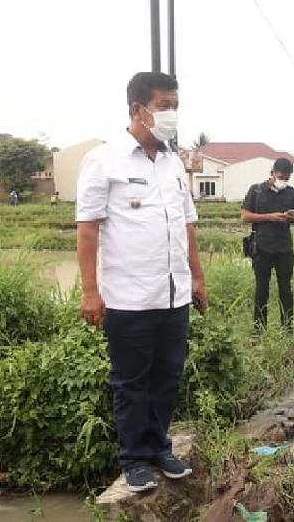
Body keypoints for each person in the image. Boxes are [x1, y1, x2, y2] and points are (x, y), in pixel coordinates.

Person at [76, 72, 207, 493]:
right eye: (164, 106)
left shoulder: (172, 163)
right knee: (131, 381)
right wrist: (90, 291)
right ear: (138, 109)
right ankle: (133, 458)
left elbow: (187, 225)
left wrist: (198, 279)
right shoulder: (104, 159)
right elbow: (87, 229)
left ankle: (159, 448)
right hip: (128, 298)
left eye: (175, 107)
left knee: (167, 376)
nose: (171, 115)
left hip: (174, 294)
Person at [241, 158, 294, 330]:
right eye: (281, 176)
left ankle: (287, 329)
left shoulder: (291, 193)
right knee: (261, 290)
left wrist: (293, 218)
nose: (283, 180)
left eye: (287, 178)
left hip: (284, 248)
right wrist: (270, 217)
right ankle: (259, 331)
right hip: (262, 248)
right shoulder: (257, 191)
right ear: (272, 173)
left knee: (286, 290)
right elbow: (245, 216)